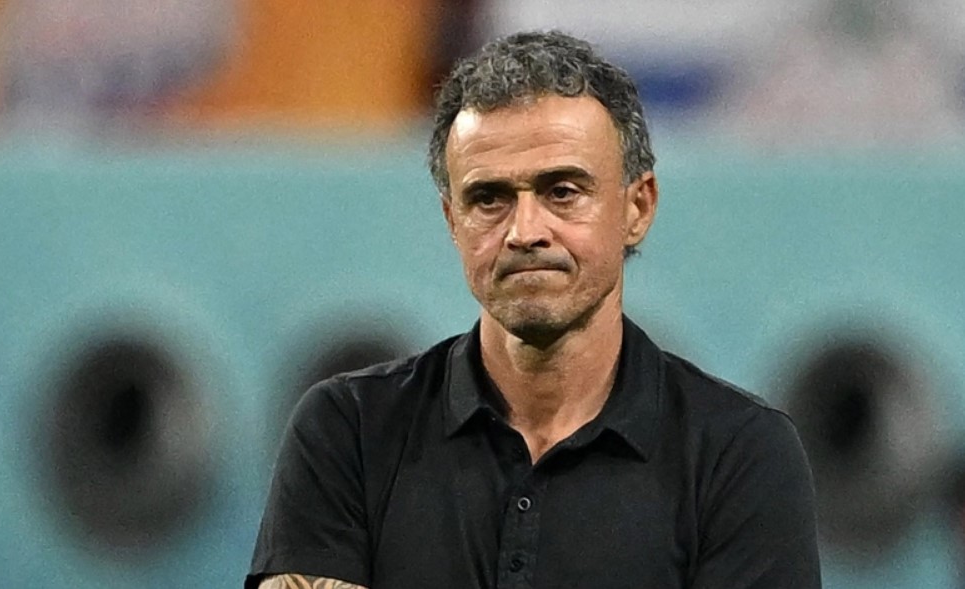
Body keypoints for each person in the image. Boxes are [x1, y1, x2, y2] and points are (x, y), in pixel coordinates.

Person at [246, 30, 821, 589]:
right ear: (452, 221)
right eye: (488, 198)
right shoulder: (348, 430)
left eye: (562, 192)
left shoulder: (739, 452)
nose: (525, 231)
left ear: (637, 207)